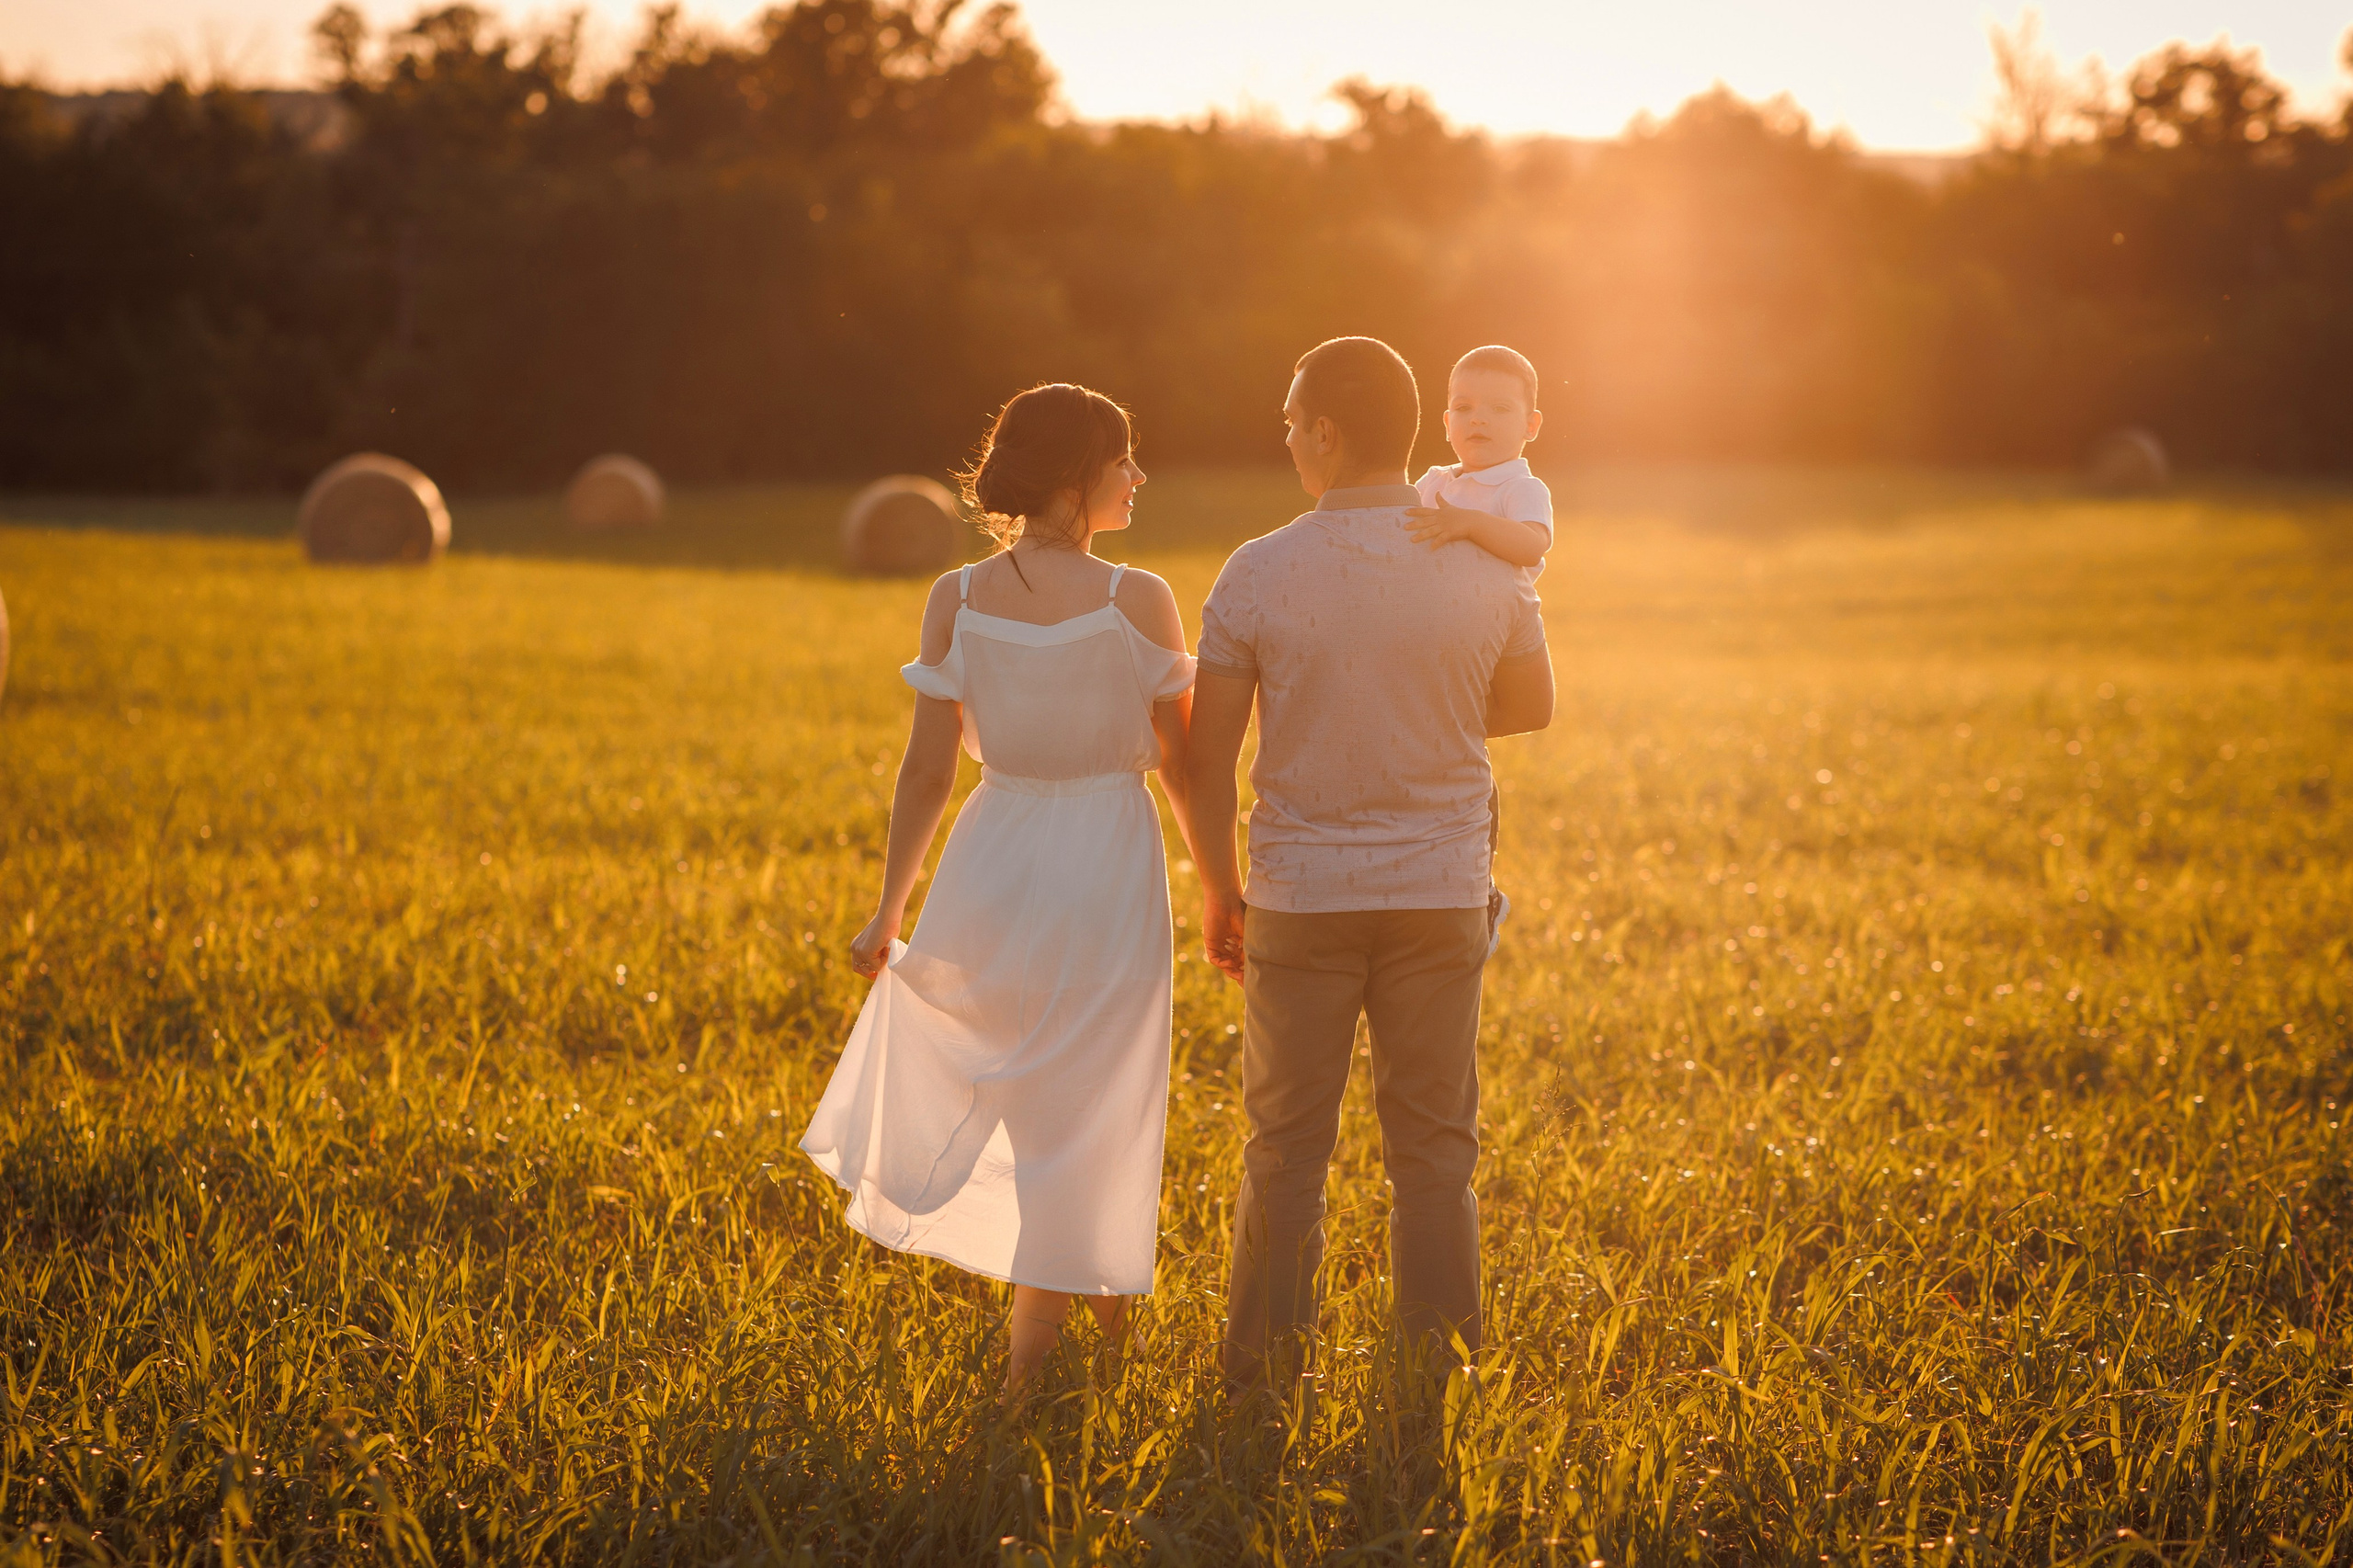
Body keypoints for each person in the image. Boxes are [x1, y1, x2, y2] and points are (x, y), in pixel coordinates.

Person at [800, 383, 1200, 1397]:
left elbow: (928, 771)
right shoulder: (1135, 597)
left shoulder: (958, 595)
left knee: (1041, 1101)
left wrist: (891, 906)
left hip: (994, 857)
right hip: (1103, 860)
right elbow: (1185, 764)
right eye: (1125, 461)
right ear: (1078, 480)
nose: (1139, 478)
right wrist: (1224, 883)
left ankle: (1111, 1337)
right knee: (1098, 1102)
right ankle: (1031, 1373)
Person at [1185, 336, 1555, 1395]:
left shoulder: (1256, 569)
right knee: (1435, 1152)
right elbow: (1530, 708)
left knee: (1284, 1152)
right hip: (1440, 893)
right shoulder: (1488, 558)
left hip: (1300, 899)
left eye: (1293, 420)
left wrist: (1219, 887)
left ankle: (1260, 1385)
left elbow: (1208, 755)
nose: (1289, 438)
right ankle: (1436, 1376)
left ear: (1327, 433)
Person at [1405, 344, 1554, 957]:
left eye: (1498, 407)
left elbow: (1530, 545)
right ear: (1445, 423)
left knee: (1465, 765)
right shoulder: (1436, 482)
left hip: (1491, 653)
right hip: (1428, 645)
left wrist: (1467, 525)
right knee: (1428, 754)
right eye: (1463, 407)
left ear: (1530, 426)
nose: (1478, 420)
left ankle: (1481, 892)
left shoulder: (1520, 486)